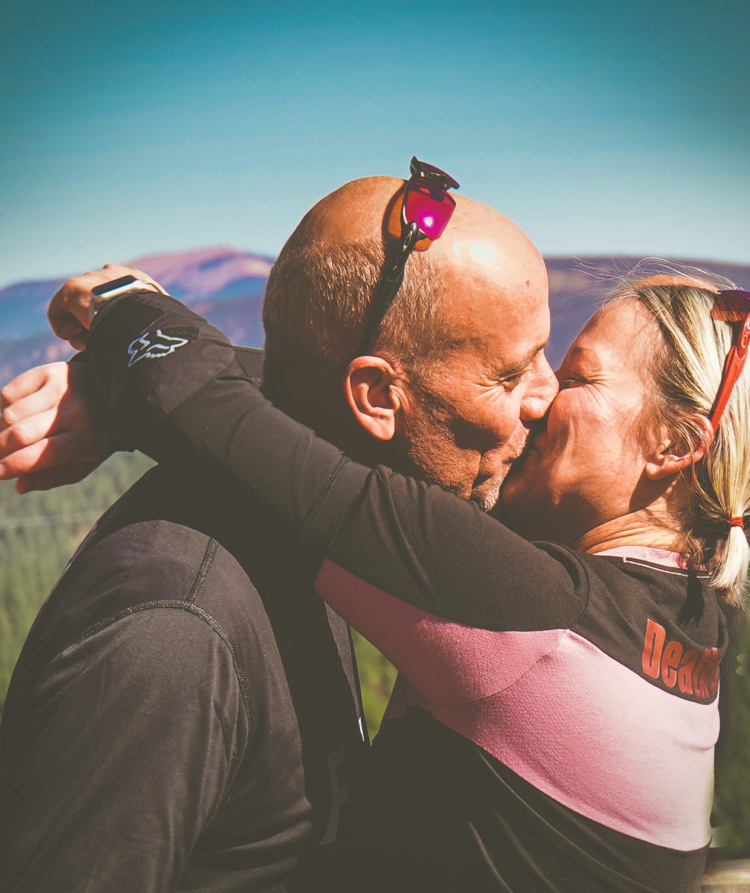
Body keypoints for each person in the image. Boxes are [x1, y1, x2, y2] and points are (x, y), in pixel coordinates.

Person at [29, 266, 749, 892]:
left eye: (581, 376)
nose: (541, 395)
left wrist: (125, 304)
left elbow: (219, 423)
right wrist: (124, 395)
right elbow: (388, 419)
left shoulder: (540, 615)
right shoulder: (692, 616)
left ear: (674, 444)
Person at [0, 161, 559, 891]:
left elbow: (300, 385)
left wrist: (130, 374)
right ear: (377, 398)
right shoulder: (170, 632)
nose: (546, 397)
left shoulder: (307, 521)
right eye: (510, 375)